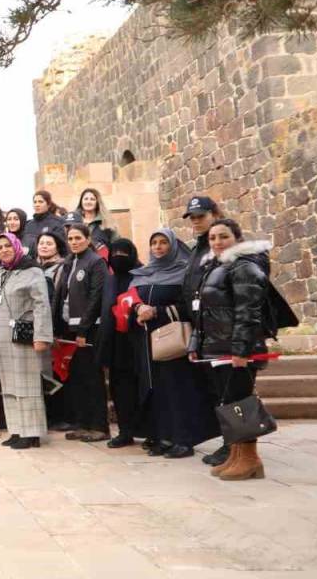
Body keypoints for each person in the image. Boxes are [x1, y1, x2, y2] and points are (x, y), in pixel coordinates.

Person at [190, 219, 296, 481]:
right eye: (213, 238)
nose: (216, 242)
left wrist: (241, 350)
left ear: (237, 239)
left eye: (223, 237)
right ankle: (237, 456)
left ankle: (250, 460)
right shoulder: (215, 267)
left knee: (241, 404)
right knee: (229, 404)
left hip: (236, 350)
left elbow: (248, 313)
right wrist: (196, 344)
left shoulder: (245, 267)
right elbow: (204, 312)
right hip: (217, 348)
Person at [124, 230, 220, 457]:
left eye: (163, 243)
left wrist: (156, 311)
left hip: (174, 340)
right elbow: (131, 300)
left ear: (173, 246)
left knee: (178, 389)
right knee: (158, 390)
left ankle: (184, 439)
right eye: (154, 242)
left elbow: (190, 306)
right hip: (148, 342)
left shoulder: (184, 273)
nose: (158, 247)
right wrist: (138, 309)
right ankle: (164, 436)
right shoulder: (143, 273)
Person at [0, 233, 54, 449]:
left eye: (7, 246)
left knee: (27, 386)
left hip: (24, 339)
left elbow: (42, 305)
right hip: (2, 341)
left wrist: (41, 336)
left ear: (17, 246)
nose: (3, 250)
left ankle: (32, 433)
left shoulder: (32, 272)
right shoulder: (2, 274)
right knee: (10, 387)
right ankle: (17, 429)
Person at [178, 195, 232, 467]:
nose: (196, 222)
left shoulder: (229, 248)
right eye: (193, 217)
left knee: (231, 393)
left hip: (226, 332)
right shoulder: (197, 249)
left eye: (201, 216)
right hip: (206, 331)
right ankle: (231, 443)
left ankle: (237, 448)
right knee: (217, 391)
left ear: (214, 213)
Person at [52, 223, 110, 442]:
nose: (74, 242)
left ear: (88, 239)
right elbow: (61, 297)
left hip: (88, 330)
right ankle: (83, 423)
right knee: (75, 379)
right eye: (71, 238)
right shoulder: (69, 262)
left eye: (78, 238)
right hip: (68, 329)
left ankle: (99, 426)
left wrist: (84, 329)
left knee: (92, 379)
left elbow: (96, 298)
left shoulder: (95, 262)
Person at [100, 239, 149, 451]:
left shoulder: (142, 276)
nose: (118, 256)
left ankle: (148, 430)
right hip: (116, 344)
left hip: (138, 342)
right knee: (120, 390)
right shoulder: (110, 280)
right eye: (115, 252)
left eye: (123, 252)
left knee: (142, 387)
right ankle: (125, 431)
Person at [34, 231, 71, 430]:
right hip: (37, 327)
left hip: (56, 326)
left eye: (49, 243)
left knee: (56, 373)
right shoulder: (33, 268)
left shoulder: (63, 268)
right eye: (41, 243)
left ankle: (59, 416)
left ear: (57, 247)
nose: (45, 246)